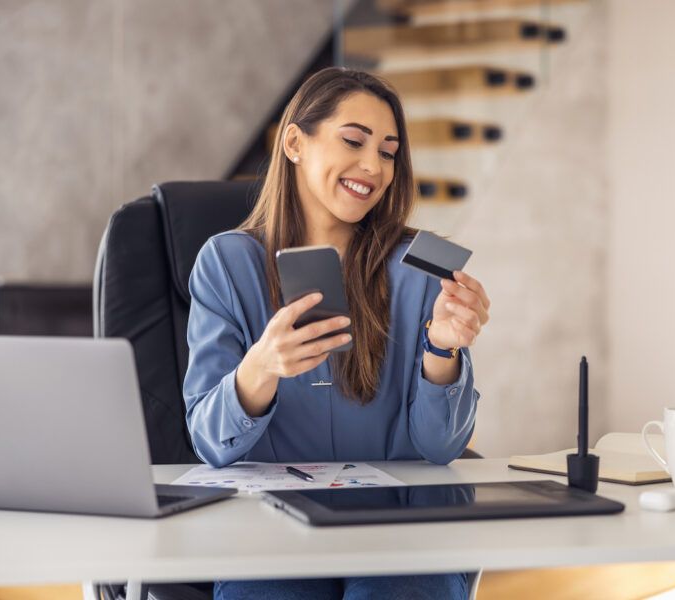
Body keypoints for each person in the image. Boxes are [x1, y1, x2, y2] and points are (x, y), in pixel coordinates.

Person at [183, 67, 491, 600]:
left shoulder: (419, 266)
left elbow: (440, 446)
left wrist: (445, 347)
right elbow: (211, 443)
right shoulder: (227, 263)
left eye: (389, 152)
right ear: (295, 142)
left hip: (399, 533)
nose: (373, 166)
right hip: (270, 534)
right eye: (353, 140)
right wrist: (261, 368)